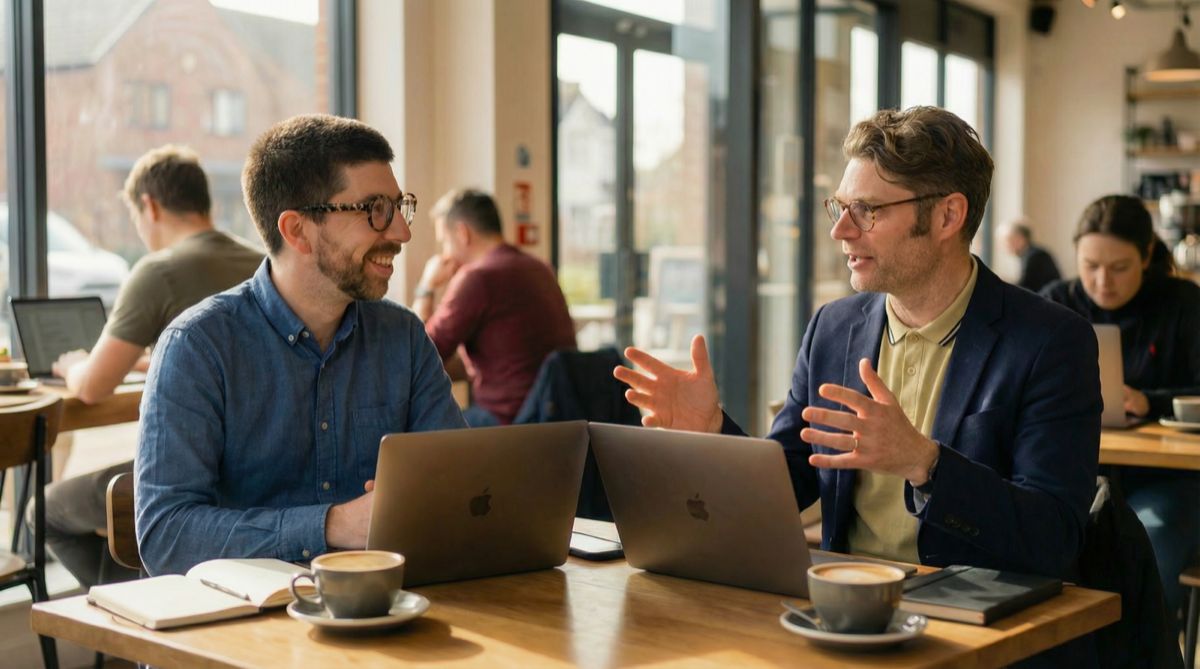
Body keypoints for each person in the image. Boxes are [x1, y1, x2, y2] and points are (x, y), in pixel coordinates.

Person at [614, 107, 1100, 665]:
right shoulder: (835, 327)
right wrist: (714, 434)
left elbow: (1055, 538)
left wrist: (925, 463)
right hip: (843, 616)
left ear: (947, 216)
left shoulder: (1051, 341)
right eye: (841, 207)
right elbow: (792, 477)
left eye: (866, 211)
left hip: (977, 630)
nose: (840, 230)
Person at [135, 115, 466, 576]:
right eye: (374, 210)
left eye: (398, 206)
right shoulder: (197, 347)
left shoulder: (403, 337)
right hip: (242, 628)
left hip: (384, 606)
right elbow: (166, 535)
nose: (401, 233)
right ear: (297, 231)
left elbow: (459, 486)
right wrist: (333, 525)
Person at [37, 145, 262, 588]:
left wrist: (75, 366)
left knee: (42, 512)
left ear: (149, 205)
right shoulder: (261, 260)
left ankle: (128, 613)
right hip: (258, 469)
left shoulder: (158, 272)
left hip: (196, 475)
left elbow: (94, 388)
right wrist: (150, 360)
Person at [1041, 194, 1200, 629]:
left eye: (1119, 267)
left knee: (1151, 544)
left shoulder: (1183, 304)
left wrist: (1152, 400)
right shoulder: (1055, 303)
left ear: (1147, 256)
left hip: (1168, 478)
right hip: (1076, 472)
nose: (1103, 281)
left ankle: (1139, 650)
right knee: (1045, 543)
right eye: (1090, 265)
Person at [413, 189, 576, 426]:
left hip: (510, 422)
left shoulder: (477, 278)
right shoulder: (539, 268)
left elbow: (420, 353)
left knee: (417, 433)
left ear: (462, 233)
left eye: (445, 242)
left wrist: (426, 285)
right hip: (556, 413)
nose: (445, 253)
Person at [1001, 218, 1061, 292]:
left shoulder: (1035, 256)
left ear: (1020, 238)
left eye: (1008, 240)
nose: (1006, 246)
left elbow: (1025, 287)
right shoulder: (1031, 254)